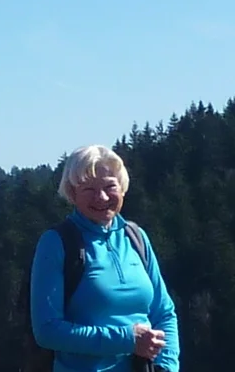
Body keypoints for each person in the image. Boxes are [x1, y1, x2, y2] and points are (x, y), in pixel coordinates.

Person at [28, 145, 180, 372]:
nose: (101, 197)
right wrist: (126, 340)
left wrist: (166, 366)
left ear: (123, 189)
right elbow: (47, 330)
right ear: (72, 193)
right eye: (89, 189)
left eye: (110, 186)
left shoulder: (136, 237)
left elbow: (164, 312)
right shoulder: (56, 242)